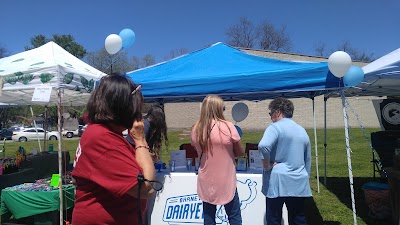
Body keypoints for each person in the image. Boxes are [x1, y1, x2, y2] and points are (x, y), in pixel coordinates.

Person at [71, 75, 155, 225]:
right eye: (135, 107)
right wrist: (140, 140)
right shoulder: (103, 139)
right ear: (122, 106)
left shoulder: (100, 132)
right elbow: (146, 188)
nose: (137, 112)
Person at [191, 95, 244, 225]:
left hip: (206, 178)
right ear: (219, 109)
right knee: (234, 216)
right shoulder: (228, 126)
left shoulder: (196, 129)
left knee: (209, 217)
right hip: (226, 179)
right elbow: (240, 152)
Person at [258, 97, 312, 225]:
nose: (271, 116)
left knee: (274, 218)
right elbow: (307, 159)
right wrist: (306, 177)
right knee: (298, 217)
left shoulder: (275, 127)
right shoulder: (301, 130)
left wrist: (266, 166)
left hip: (278, 181)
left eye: (271, 113)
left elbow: (263, 146)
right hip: (298, 180)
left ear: (278, 112)